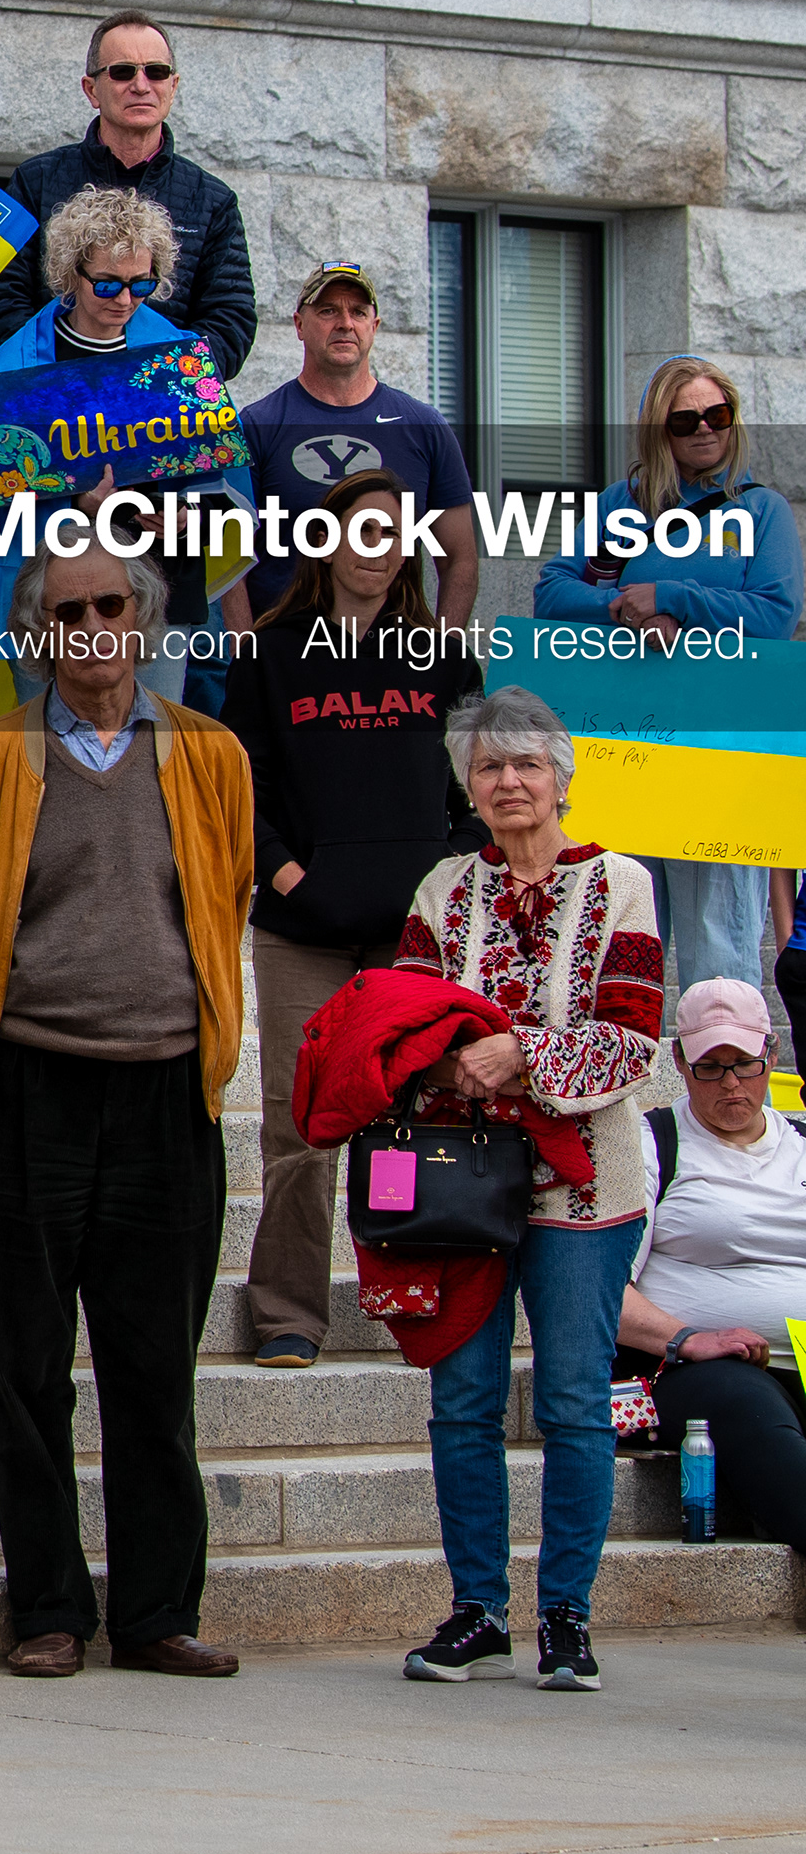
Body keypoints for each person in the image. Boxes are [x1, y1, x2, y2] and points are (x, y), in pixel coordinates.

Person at [0, 541, 251, 1681]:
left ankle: (159, 1610)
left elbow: (227, 894)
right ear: (36, 630)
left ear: (145, 617)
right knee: (29, 1366)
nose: (90, 628)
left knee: (155, 1365)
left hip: (171, 1086)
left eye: (110, 605)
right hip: (28, 1087)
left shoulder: (211, 755)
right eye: (65, 611)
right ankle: (50, 1610)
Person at [379, 687, 662, 1690]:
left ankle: (568, 1618)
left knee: (577, 1401)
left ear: (562, 777)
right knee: (462, 1401)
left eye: (526, 765)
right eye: (490, 766)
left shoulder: (622, 883)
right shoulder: (443, 890)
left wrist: (515, 1055)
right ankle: (477, 1610)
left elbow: (631, 1032)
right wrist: (460, 1065)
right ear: (469, 780)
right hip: (463, 1185)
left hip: (585, 1192)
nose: (509, 782)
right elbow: (401, 1019)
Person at [220, 468, 478, 1368]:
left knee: (415, 1113)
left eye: (394, 533)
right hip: (302, 935)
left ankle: (415, 1299)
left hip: (414, 938)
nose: (379, 548)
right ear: (326, 544)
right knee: (300, 1124)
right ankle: (288, 1310)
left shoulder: (441, 655)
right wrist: (288, 875)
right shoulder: (269, 651)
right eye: (362, 531)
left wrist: (449, 877)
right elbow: (236, 780)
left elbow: (480, 786)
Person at [535, 353, 802, 1008]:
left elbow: (775, 615)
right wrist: (623, 607)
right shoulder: (625, 506)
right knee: (622, 952)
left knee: (721, 955)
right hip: (633, 754)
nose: (705, 429)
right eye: (687, 420)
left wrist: (674, 596)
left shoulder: (760, 511)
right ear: (660, 430)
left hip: (725, 756)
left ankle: (729, 1101)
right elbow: (552, 592)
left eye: (719, 415)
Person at [0, 182, 235, 705]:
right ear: (71, 275)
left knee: (152, 737)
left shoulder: (181, 355)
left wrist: (187, 513)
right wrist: (74, 501)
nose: (125, 300)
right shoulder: (18, 362)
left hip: (157, 581)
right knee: (42, 734)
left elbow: (221, 478)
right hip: (46, 591)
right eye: (107, 284)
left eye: (141, 285)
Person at [618, 982, 806, 1555]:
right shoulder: (651, 1144)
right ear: (679, 1062)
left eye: (745, 1064)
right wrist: (687, 1338)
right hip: (687, 1367)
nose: (730, 1083)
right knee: (743, 1403)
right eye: (710, 1067)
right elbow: (600, 1289)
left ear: (771, 1056)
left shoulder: (800, 1143)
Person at [0, 12, 259, 379]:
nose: (141, 85)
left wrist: (146, 381)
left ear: (174, 85)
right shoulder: (32, 180)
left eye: (156, 71)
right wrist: (71, 376)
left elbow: (231, 326)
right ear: (91, 89)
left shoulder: (214, 201)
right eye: (122, 72)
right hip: (51, 401)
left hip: (161, 412)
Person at [215, 262, 482, 635]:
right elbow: (229, 554)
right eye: (327, 311)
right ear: (299, 325)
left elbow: (459, 558)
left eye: (358, 312)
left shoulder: (424, 428)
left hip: (395, 654)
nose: (344, 323)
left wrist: (442, 651)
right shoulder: (257, 425)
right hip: (287, 653)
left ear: (374, 327)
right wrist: (246, 653)